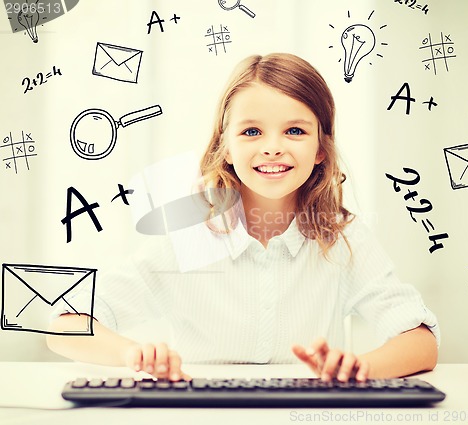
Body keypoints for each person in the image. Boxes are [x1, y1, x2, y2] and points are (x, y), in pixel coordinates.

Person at [47, 53, 439, 384]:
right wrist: (135, 354)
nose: (272, 147)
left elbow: (421, 342)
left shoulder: (342, 237)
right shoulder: (187, 235)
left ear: (321, 148)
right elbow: (63, 326)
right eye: (252, 131)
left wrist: (362, 368)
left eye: (295, 131)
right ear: (227, 148)